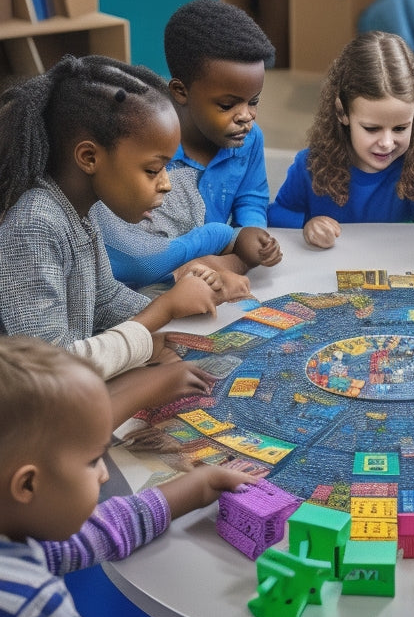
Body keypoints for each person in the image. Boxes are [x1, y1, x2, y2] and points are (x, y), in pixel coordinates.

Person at [0, 336, 289, 617]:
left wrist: (194, 488)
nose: (104, 475)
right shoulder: (23, 608)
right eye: (91, 461)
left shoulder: (12, 530)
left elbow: (87, 534)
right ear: (27, 485)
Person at [0, 53, 247, 426]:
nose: (166, 183)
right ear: (89, 157)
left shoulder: (80, 210)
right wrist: (159, 314)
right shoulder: (35, 224)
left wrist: (177, 308)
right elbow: (49, 375)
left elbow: (104, 299)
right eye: (152, 169)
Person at [93, 0, 282, 291]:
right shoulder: (147, 144)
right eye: (227, 105)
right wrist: (226, 255)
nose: (246, 116)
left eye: (254, 101)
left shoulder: (250, 139)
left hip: (214, 265)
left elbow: (251, 197)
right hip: (152, 276)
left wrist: (253, 234)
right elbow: (134, 250)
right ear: (181, 92)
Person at [267, 30, 414, 249]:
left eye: (400, 128)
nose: (387, 142)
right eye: (371, 129)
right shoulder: (311, 165)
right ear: (342, 113)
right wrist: (306, 224)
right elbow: (275, 214)